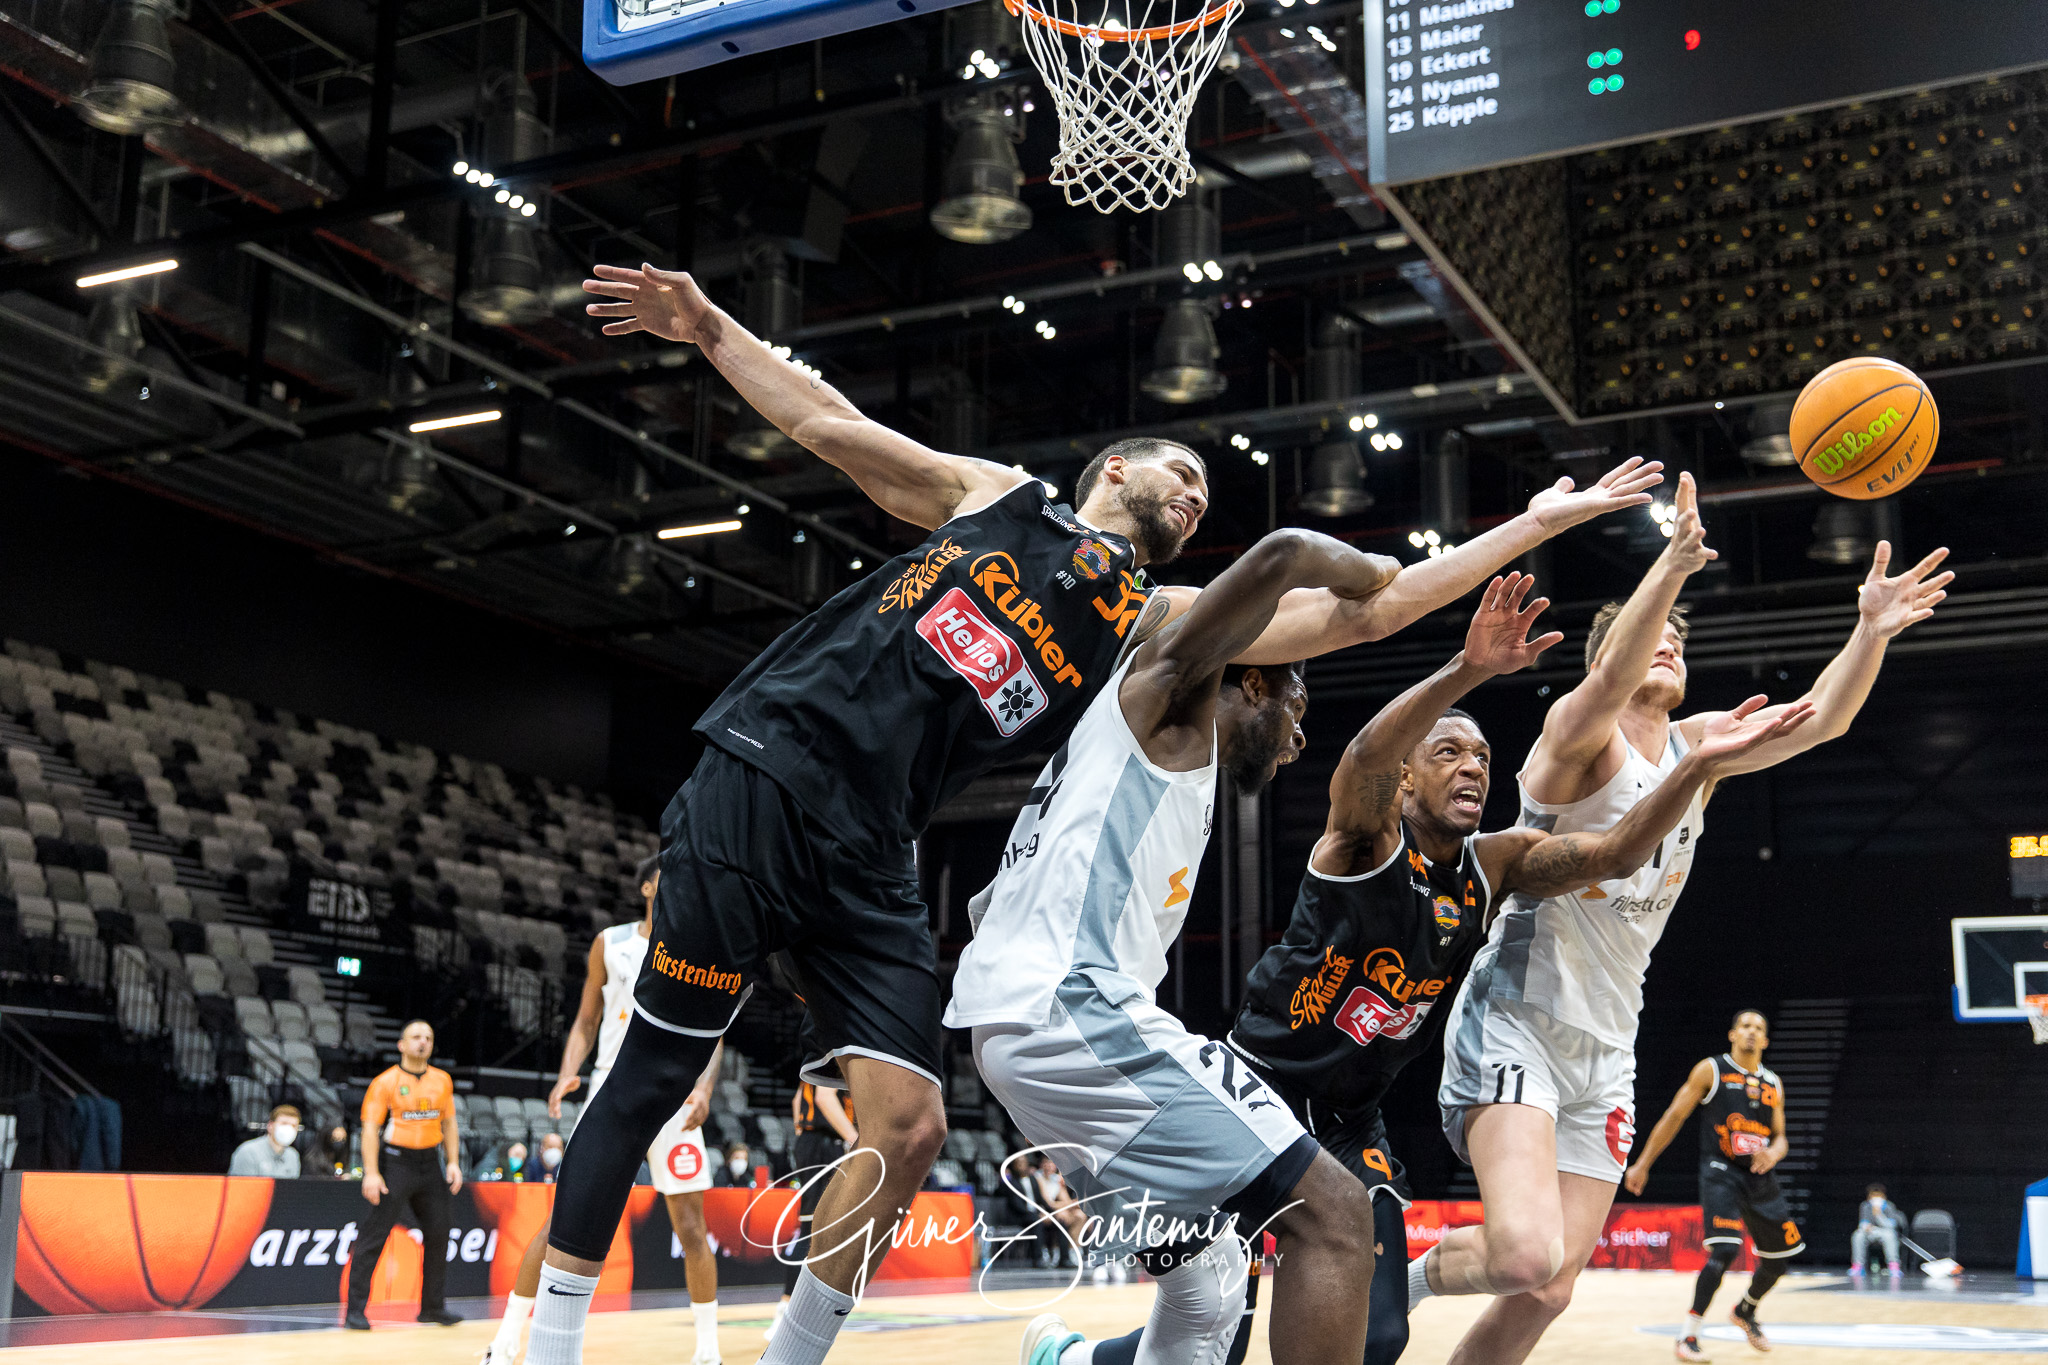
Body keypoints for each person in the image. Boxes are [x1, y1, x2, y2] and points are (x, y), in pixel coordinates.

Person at [533, 257, 1661, 1365]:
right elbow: (831, 428)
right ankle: (542, 1346)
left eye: (1205, 496)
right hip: (786, 771)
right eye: (1179, 472)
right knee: (651, 1074)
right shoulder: (997, 501)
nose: (1193, 492)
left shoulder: (1150, 622)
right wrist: (712, 328)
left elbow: (1368, 615)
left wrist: (1531, 525)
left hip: (879, 844)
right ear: (1113, 467)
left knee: (991, 1170)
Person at [1038, 577, 1813, 1365]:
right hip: (1256, 1092)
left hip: (1350, 1119)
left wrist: (1693, 772)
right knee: (1209, 1346)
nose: (1472, 766)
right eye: (1447, 752)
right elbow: (1368, 753)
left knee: (1378, 1335)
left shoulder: (1493, 865)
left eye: (1481, 754)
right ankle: (1072, 1358)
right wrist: (1468, 666)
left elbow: (1614, 853)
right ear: (1406, 778)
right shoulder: (1362, 844)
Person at [1410, 476, 1952, 1365]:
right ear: (1613, 655)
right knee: (1519, 1252)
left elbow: (1824, 720)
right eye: (1650, 636)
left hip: (1606, 1044)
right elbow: (1615, 670)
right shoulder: (1575, 733)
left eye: (1678, 639)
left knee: (1549, 1288)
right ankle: (1386, 1277)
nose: (1668, 644)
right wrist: (1672, 563)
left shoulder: (1703, 743)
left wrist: (1870, 631)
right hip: (1515, 1020)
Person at [957, 526, 1419, 1365]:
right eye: (1296, 706)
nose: (1300, 735)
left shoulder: (1142, 759)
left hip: (1022, 1021)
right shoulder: (1163, 703)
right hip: (1070, 1008)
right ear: (1249, 676)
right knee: (1335, 1213)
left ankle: (1065, 1359)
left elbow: (989, 901)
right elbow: (1280, 552)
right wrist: (1376, 571)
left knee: (1209, 1273)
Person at [484, 855, 725, 1365]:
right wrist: (566, 1072)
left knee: (692, 1227)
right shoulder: (611, 943)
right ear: (645, 887)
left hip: (675, 1099)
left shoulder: (698, 947)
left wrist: (703, 1088)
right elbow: (585, 1020)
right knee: (564, 1219)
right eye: (667, 878)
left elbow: (714, 1030)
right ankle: (506, 1340)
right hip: (610, 1092)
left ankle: (708, 1352)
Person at [1623, 1009, 1805, 1360]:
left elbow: (1781, 1139)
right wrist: (1643, 1163)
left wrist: (1774, 1153)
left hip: (1760, 1176)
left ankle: (1745, 1311)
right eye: (1745, 1026)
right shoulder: (1712, 1070)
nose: (1751, 1032)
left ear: (1766, 1041)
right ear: (1732, 1035)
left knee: (1780, 1260)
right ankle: (1688, 1336)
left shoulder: (1773, 1082)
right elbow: (1674, 1115)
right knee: (1724, 1250)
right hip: (1721, 1170)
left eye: (1758, 1028)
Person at [345, 1019, 462, 1330]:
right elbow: (370, 1129)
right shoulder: (385, 1082)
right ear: (401, 1044)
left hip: (430, 1162)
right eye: (415, 1037)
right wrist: (371, 1173)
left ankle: (432, 1309)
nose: (422, 1042)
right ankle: (355, 1311)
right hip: (396, 1163)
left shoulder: (442, 1080)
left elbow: (449, 1123)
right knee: (375, 1235)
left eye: (428, 1037)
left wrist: (453, 1162)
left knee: (439, 1234)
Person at [766, 1082, 861, 1343]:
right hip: (823, 1144)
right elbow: (824, 1096)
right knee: (812, 1230)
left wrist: (801, 1133)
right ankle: (785, 1312)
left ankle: (806, 1310)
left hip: (814, 1142)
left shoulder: (820, 1054)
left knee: (826, 1229)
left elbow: (798, 1099)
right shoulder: (836, 1051)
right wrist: (854, 1140)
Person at [229, 1104, 302, 1178]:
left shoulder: (293, 1156)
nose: (288, 1129)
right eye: (284, 1123)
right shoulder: (248, 1152)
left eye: (293, 1125)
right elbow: (242, 1187)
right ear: (270, 1126)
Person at [1851, 1183, 1905, 1278]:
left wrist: (1879, 1214)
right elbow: (1862, 1222)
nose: (1875, 1198)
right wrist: (1865, 1227)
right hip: (1870, 1232)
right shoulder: (1865, 1206)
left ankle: (1893, 1266)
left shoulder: (1889, 1206)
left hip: (1884, 1231)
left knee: (1890, 1235)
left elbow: (1890, 1225)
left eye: (1878, 1195)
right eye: (1873, 1195)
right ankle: (1858, 1266)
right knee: (1858, 1235)